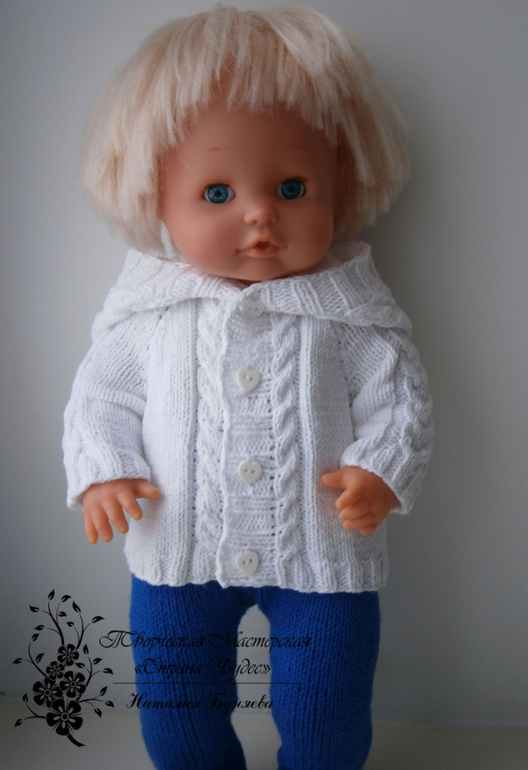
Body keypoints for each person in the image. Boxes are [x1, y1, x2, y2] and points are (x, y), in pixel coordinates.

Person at [63, 6, 433, 768]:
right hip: (177, 550)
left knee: (326, 706)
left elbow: (399, 399)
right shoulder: (150, 314)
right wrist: (102, 469)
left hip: (324, 556)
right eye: (217, 193)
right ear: (156, 198)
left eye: (293, 187)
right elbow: (101, 396)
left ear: (339, 184)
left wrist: (381, 469)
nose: (261, 213)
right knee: (177, 709)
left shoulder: (350, 313)